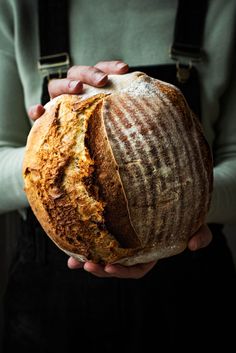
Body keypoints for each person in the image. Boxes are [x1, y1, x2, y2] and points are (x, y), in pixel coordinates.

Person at [0, 0, 236, 351]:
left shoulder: (224, 8)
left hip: (191, 293)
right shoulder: (19, 7)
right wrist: (50, 155)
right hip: (51, 303)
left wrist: (183, 205)